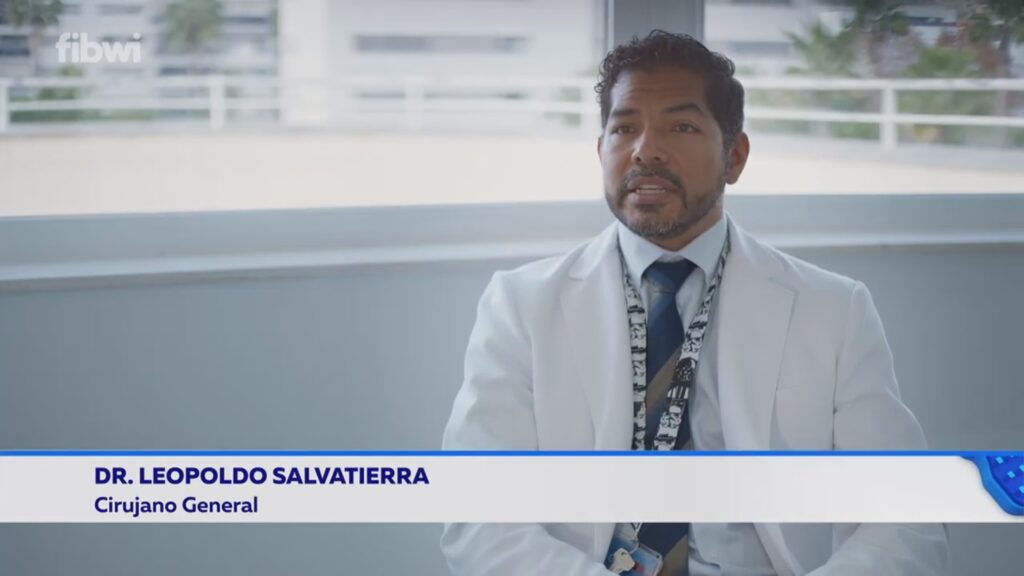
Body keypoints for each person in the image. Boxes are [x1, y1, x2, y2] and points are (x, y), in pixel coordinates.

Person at [441, 30, 948, 576]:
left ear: (735, 157)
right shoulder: (521, 307)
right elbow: (479, 518)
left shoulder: (832, 310)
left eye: (680, 127)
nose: (646, 150)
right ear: (600, 150)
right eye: (624, 128)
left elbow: (908, 516)